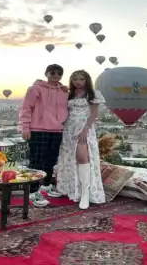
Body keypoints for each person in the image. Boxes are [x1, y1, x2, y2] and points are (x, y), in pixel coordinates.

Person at [19, 64, 69, 207]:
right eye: (52, 73)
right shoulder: (35, 89)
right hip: (38, 130)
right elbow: (26, 108)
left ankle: (46, 185)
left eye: (59, 73)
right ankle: (32, 191)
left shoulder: (65, 91)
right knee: (37, 161)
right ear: (46, 73)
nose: (55, 76)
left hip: (57, 130)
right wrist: (25, 128)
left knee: (51, 160)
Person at [56, 70, 106, 210]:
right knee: (70, 158)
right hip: (68, 129)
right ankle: (72, 189)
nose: (78, 82)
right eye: (75, 79)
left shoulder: (93, 94)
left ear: (87, 80)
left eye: (81, 79)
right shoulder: (70, 94)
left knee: (83, 158)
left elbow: (94, 114)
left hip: (84, 129)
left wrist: (85, 130)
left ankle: (85, 193)